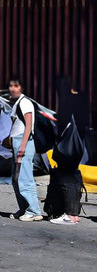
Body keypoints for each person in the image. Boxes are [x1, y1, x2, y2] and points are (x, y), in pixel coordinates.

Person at [47, 75, 90, 225]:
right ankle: (73, 212)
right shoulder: (83, 99)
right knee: (73, 175)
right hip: (79, 144)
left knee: (67, 177)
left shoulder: (68, 100)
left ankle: (71, 215)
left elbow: (62, 121)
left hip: (68, 145)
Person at [8, 78, 43, 221]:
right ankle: (24, 208)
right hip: (18, 142)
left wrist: (22, 148)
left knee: (25, 178)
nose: (12, 88)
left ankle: (34, 210)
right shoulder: (17, 103)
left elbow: (29, 126)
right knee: (16, 179)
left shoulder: (25, 102)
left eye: (16, 85)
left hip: (24, 142)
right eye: (10, 85)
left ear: (22, 87)